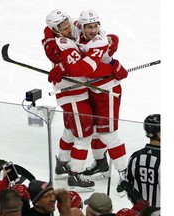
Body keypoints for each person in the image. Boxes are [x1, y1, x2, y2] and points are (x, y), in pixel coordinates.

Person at [43, 9, 128, 192]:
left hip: (106, 90)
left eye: (95, 25)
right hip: (81, 91)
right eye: (89, 26)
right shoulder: (68, 36)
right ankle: (83, 167)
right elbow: (50, 34)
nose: (93, 30)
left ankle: (124, 173)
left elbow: (84, 69)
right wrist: (53, 50)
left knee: (105, 134)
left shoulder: (97, 40)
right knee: (82, 132)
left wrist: (113, 64)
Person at [124, 114, 161, 207]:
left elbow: (128, 186)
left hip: (141, 212)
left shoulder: (135, 157)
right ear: (158, 133)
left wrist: (140, 206)